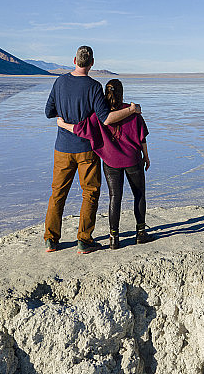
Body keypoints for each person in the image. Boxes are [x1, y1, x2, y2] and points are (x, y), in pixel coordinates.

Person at [44, 46, 140, 254]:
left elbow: (48, 111)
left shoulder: (59, 82)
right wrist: (131, 110)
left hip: (62, 148)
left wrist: (64, 118)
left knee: (58, 193)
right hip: (87, 149)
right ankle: (84, 240)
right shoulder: (94, 87)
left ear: (74, 60)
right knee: (90, 193)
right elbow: (106, 118)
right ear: (92, 63)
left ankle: (51, 240)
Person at [57, 78, 152, 250]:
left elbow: (80, 129)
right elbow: (142, 137)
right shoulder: (132, 112)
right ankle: (140, 233)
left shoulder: (98, 116)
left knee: (115, 197)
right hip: (133, 160)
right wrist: (146, 156)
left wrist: (63, 124)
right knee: (139, 195)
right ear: (121, 93)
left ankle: (113, 238)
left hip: (111, 162)